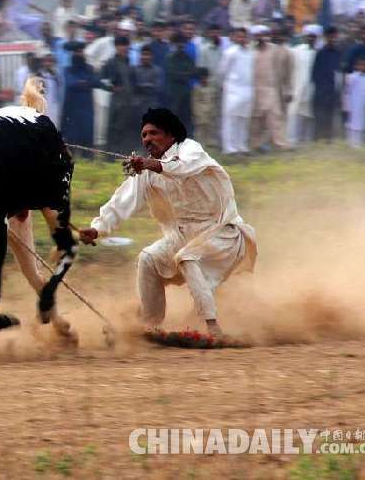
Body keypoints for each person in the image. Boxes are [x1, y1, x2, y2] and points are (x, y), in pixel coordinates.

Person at [79, 108, 257, 337]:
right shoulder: (146, 170)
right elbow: (122, 201)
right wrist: (97, 229)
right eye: (144, 135)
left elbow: (181, 167)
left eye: (154, 133)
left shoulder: (190, 149)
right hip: (185, 236)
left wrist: (151, 165)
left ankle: (211, 327)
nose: (147, 140)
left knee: (186, 257)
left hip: (223, 232)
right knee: (148, 259)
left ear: (171, 135)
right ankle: (150, 324)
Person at [250, 25, 291, 151]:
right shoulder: (250, 51)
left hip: (271, 89)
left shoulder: (274, 50)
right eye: (257, 35)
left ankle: (280, 143)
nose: (260, 38)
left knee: (275, 116)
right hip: (254, 89)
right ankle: (255, 144)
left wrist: (286, 89)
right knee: (256, 119)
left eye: (262, 35)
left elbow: (284, 70)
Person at [219, 27, 254, 155]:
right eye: (239, 36)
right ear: (234, 37)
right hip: (233, 89)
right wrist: (226, 85)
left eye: (244, 37)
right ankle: (229, 148)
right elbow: (223, 71)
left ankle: (242, 146)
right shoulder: (230, 52)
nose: (242, 39)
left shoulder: (251, 53)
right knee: (231, 119)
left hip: (247, 90)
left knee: (243, 119)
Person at [103, 36, 138, 153]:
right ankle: (111, 155)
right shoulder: (110, 62)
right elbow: (101, 79)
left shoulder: (129, 63)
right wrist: (111, 87)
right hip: (117, 100)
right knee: (114, 128)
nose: (123, 48)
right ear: (116, 47)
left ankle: (123, 154)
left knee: (126, 128)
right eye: (121, 45)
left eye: (125, 45)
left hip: (129, 101)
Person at [288, 25, 321, 145]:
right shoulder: (296, 51)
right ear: (304, 37)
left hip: (313, 89)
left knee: (310, 117)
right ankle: (292, 142)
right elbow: (290, 70)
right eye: (309, 36)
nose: (311, 39)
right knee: (295, 116)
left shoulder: (319, 52)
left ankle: (308, 142)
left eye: (314, 36)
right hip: (297, 88)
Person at [62, 47, 99, 147]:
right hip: (72, 109)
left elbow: (95, 82)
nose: (79, 54)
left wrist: (81, 83)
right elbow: (71, 83)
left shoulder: (89, 68)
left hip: (87, 109)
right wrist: (85, 82)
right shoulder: (67, 70)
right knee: (72, 141)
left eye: (80, 51)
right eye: (76, 52)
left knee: (87, 140)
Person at [311, 26, 343, 140]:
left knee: (330, 121)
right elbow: (314, 75)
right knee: (319, 121)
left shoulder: (339, 53)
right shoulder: (320, 54)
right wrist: (321, 89)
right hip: (320, 94)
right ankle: (317, 143)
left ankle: (327, 144)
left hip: (333, 94)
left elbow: (340, 73)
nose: (333, 39)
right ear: (326, 37)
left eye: (334, 36)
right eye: (330, 36)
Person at [165, 32, 197, 136]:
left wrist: (182, 75)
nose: (180, 45)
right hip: (173, 93)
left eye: (182, 43)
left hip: (185, 93)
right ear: (174, 44)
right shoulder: (170, 58)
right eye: (178, 43)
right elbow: (171, 73)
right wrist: (184, 75)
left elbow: (192, 72)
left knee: (186, 118)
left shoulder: (188, 58)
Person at [342, 56, 365, 147]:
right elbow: (347, 92)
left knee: (362, 123)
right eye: (360, 65)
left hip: (363, 104)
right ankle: (351, 143)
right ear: (356, 66)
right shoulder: (351, 77)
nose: (362, 67)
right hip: (352, 103)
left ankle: (360, 144)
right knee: (351, 123)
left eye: (364, 65)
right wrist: (346, 105)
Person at [192, 67, 219, 148]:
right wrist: (197, 112)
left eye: (206, 78)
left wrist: (214, 109)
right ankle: (200, 142)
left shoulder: (212, 87)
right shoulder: (197, 88)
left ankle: (210, 141)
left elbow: (215, 99)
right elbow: (195, 102)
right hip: (201, 111)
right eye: (202, 78)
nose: (204, 80)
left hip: (211, 110)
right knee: (201, 127)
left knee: (210, 126)